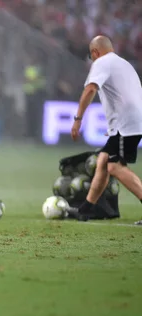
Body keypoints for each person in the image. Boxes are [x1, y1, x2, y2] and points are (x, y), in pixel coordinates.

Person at [70, 35, 142, 225]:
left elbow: (90, 90)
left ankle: (85, 210)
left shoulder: (102, 62)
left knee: (114, 166)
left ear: (95, 52)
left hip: (126, 124)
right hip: (130, 121)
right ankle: (84, 210)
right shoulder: (124, 64)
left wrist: (78, 119)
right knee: (103, 161)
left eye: (92, 55)